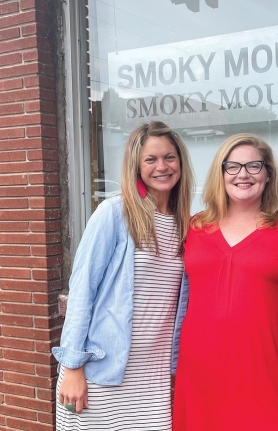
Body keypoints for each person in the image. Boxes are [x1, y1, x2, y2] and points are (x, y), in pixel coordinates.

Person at [52, 121, 194, 430]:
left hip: (153, 380)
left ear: (180, 162)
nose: (162, 166)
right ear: (136, 166)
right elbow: (82, 291)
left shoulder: (186, 224)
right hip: (102, 373)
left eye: (169, 157)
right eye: (150, 159)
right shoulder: (115, 213)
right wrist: (73, 366)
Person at [172, 134, 278, 431]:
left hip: (269, 375)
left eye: (254, 166)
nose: (243, 174)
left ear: (268, 175)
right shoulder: (193, 228)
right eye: (233, 166)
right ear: (221, 174)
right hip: (201, 374)